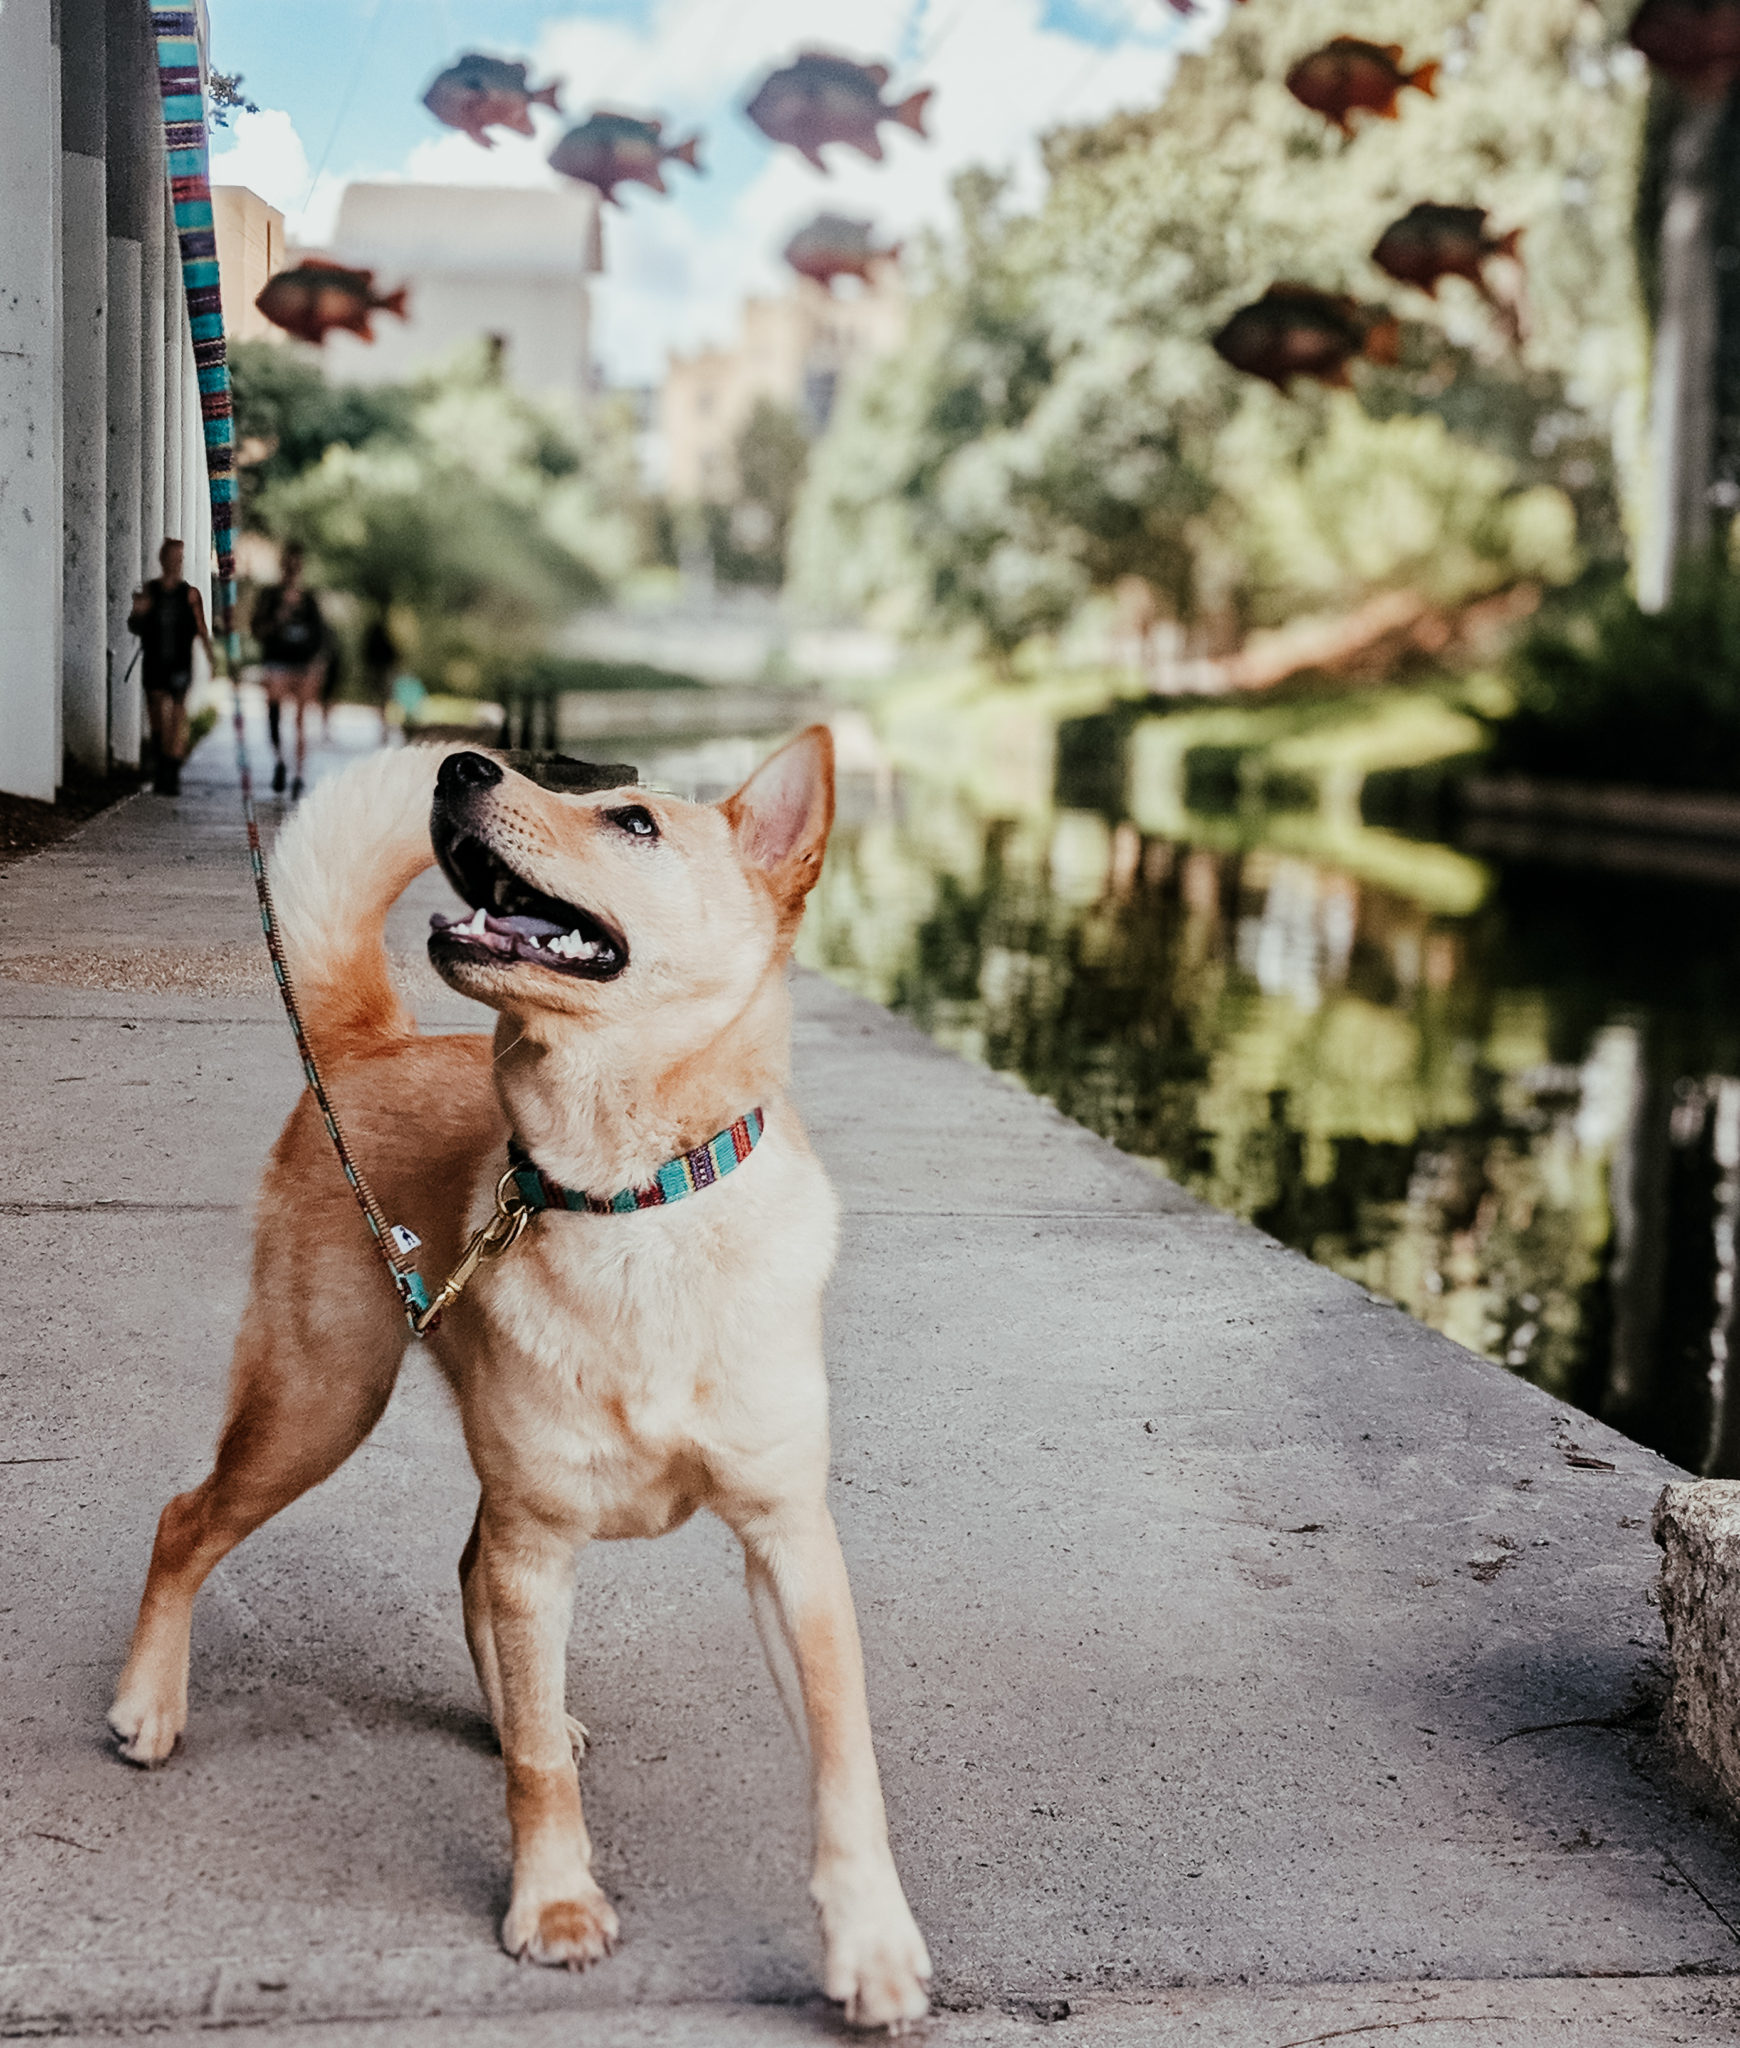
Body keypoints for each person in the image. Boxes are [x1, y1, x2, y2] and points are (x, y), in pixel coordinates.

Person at [128, 538, 214, 797]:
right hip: (155, 661)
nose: (175, 562)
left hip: (180, 663)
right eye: (171, 556)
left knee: (177, 718)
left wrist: (213, 661)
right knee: (156, 716)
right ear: (162, 559)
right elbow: (134, 625)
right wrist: (139, 612)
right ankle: (161, 762)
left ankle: (171, 774)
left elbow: (201, 629)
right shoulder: (150, 590)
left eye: (180, 557)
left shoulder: (190, 594)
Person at [251, 543, 327, 799]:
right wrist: (279, 617)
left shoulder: (309, 598)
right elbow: (257, 629)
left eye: (297, 565)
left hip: (303, 664)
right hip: (276, 662)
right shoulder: (270, 596)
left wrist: (317, 664)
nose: (293, 570)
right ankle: (280, 761)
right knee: (274, 714)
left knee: (301, 720)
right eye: (289, 564)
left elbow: (320, 634)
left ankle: (299, 774)